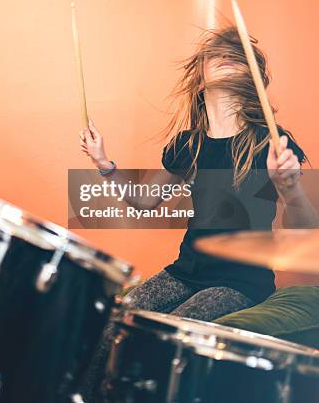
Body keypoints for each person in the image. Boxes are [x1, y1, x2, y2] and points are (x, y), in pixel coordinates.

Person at [78, 26, 314, 401]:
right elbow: (144, 202)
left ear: (253, 77)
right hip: (184, 272)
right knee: (113, 321)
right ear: (200, 76)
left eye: (238, 54)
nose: (227, 55)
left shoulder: (268, 141)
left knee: (169, 335)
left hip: (239, 282)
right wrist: (104, 163)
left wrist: (290, 187)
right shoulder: (189, 144)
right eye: (217, 52)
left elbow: (304, 229)